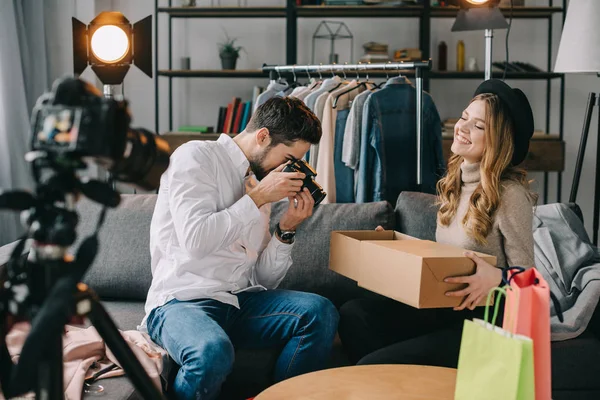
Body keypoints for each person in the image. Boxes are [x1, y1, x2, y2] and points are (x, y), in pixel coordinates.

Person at [140, 97, 339, 400]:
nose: (286, 169)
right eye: (287, 157)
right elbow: (196, 240)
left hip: (236, 303)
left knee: (320, 311)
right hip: (180, 302)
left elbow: (263, 281)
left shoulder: (257, 182)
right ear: (263, 137)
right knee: (212, 352)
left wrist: (286, 228)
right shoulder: (196, 157)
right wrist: (258, 198)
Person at [338, 79, 537, 367]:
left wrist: (498, 278)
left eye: (478, 126)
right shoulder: (453, 185)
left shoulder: (510, 195)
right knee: (354, 313)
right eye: (464, 117)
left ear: (498, 140)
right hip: (444, 309)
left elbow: (529, 282)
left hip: (484, 322)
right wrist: (394, 251)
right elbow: (446, 259)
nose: (462, 127)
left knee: (374, 364)